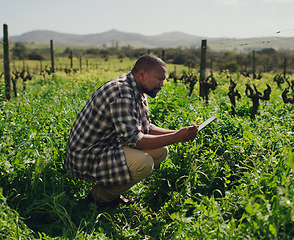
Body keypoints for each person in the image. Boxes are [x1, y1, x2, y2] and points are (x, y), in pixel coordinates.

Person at [65, 54, 198, 207]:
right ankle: (98, 198)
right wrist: (177, 137)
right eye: (159, 79)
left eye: (164, 79)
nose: (162, 84)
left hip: (106, 147)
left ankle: (110, 192)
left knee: (160, 151)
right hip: (86, 155)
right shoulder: (122, 93)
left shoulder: (137, 89)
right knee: (143, 163)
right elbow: (135, 140)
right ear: (142, 74)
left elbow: (146, 128)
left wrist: (178, 133)